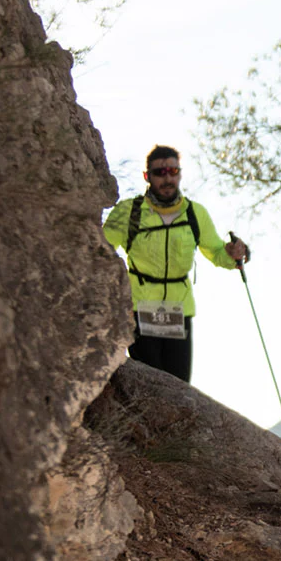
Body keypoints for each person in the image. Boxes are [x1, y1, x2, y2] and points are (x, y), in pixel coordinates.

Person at [101, 144, 249, 383]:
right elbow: (100, 249)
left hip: (179, 311)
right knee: (149, 386)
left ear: (179, 173)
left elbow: (215, 252)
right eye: (160, 173)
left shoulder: (195, 213)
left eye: (172, 171)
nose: (167, 178)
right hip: (139, 308)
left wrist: (234, 255)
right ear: (147, 176)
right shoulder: (129, 211)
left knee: (179, 388)